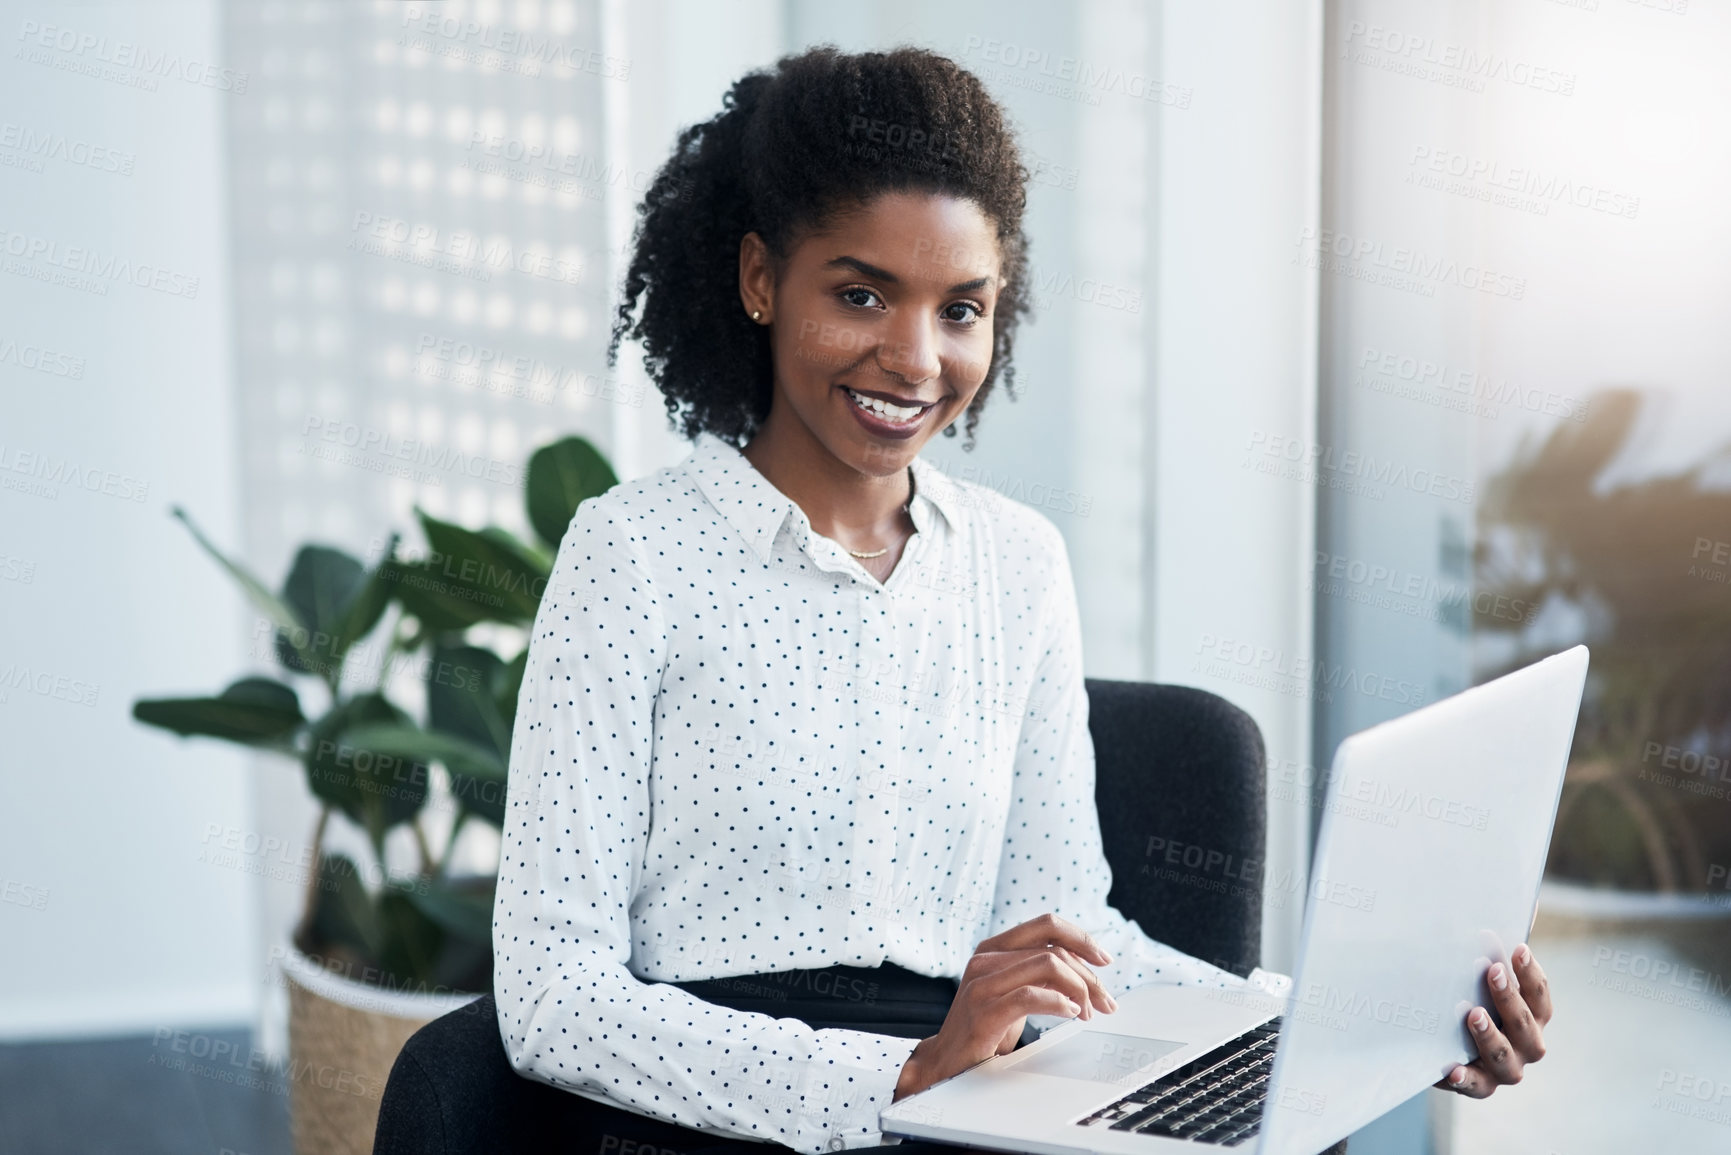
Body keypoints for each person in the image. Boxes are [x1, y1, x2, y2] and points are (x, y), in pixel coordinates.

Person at [491, 45, 1553, 1155]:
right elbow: (555, 995)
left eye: (962, 309)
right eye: (861, 295)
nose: (915, 358)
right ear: (762, 279)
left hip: (971, 1104)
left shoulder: (1018, 564)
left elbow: (1073, 939)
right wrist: (898, 1077)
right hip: (713, 1119)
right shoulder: (634, 556)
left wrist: (1359, 1023)